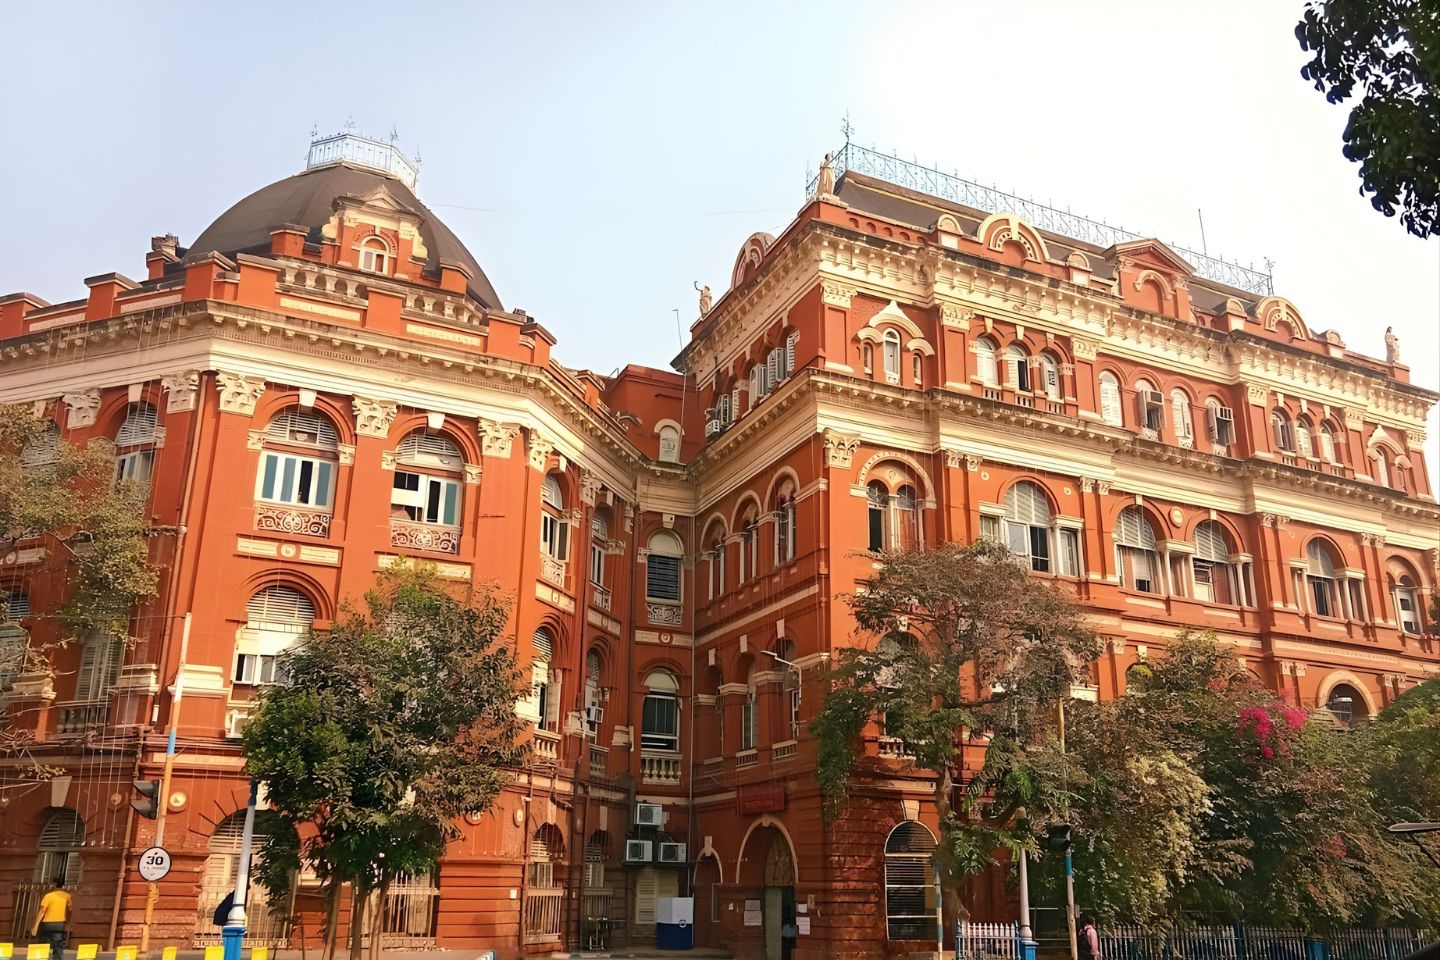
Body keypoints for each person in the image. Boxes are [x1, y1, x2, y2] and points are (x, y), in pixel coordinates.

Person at [30, 878, 72, 960]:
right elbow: (70, 910)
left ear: (54, 885)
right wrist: (67, 921)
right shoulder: (67, 896)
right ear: (63, 886)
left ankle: (40, 958)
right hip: (60, 924)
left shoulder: (48, 896)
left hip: (47, 924)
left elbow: (42, 911)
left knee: (42, 943)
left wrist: (35, 926)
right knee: (58, 945)